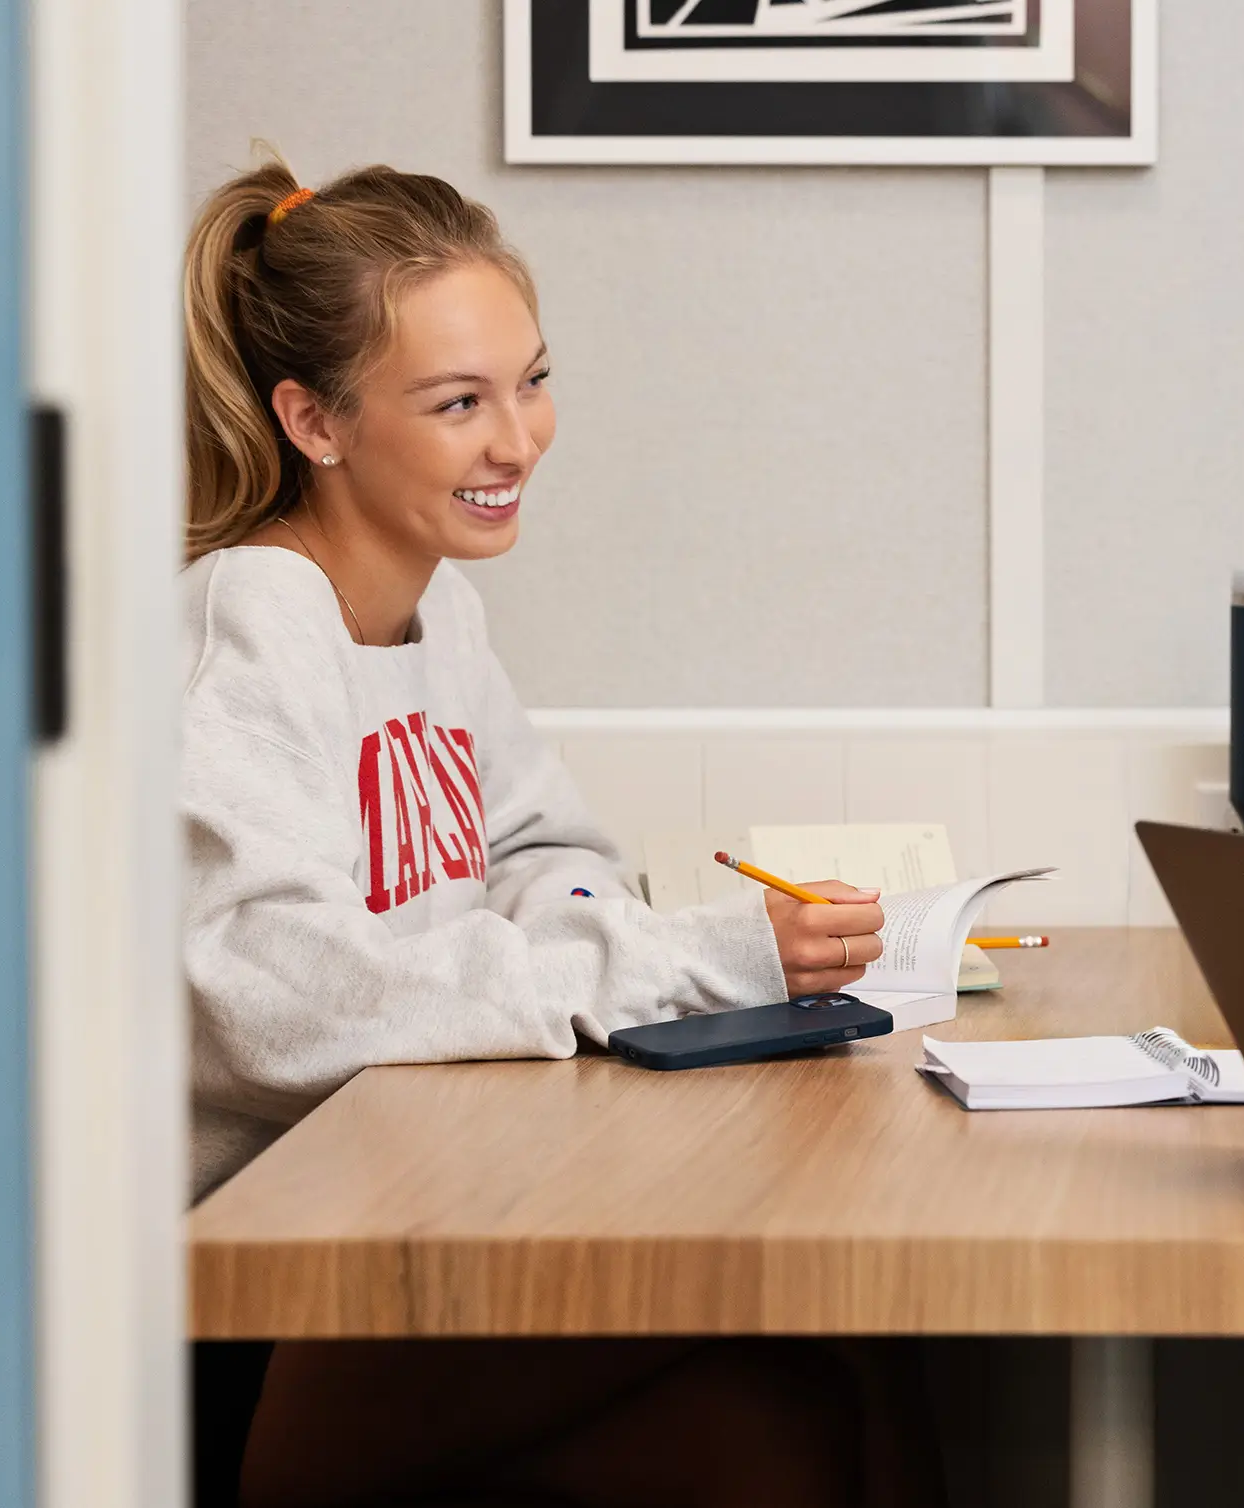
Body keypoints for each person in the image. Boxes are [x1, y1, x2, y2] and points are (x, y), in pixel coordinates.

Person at [182, 157, 938, 1507]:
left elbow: (546, 851)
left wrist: (589, 934)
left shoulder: (435, 609)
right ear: (316, 421)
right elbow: (275, 999)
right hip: (245, 1293)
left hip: (409, 1207)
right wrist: (672, 964)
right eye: (458, 403)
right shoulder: (249, 621)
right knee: (805, 1355)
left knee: (817, 1394)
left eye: (532, 382)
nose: (517, 441)